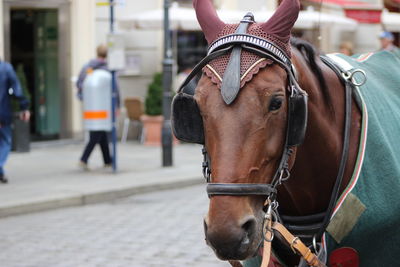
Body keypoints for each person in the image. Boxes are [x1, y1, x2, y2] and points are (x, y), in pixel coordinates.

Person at [77, 44, 119, 170]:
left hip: (90, 106)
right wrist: (117, 105)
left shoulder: (87, 67)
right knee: (98, 132)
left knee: (99, 132)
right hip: (104, 107)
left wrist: (85, 96)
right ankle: (83, 159)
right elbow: (115, 89)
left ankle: (107, 160)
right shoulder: (109, 69)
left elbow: (80, 83)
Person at [0, 59, 30, 183]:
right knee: (6, 142)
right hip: (2, 112)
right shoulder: (5, 68)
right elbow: (16, 90)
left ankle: (1, 173)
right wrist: (24, 106)